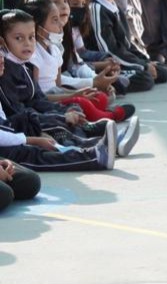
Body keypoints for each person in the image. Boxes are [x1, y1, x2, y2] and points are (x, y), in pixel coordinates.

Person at [0, 12, 116, 171]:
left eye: (31, 37)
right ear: (2, 42)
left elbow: (39, 100)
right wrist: (37, 133)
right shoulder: (5, 71)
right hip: (17, 128)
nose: (27, 43)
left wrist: (61, 111)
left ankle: (96, 144)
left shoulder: (23, 65)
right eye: (19, 38)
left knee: (65, 113)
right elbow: (17, 113)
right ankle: (91, 151)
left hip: (21, 125)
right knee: (48, 133)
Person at [84, 0, 167, 91]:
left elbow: (127, 44)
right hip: (106, 65)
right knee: (145, 79)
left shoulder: (113, 6)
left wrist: (144, 61)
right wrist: (142, 66)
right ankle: (108, 84)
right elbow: (108, 51)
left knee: (161, 72)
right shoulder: (96, 8)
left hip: (121, 60)